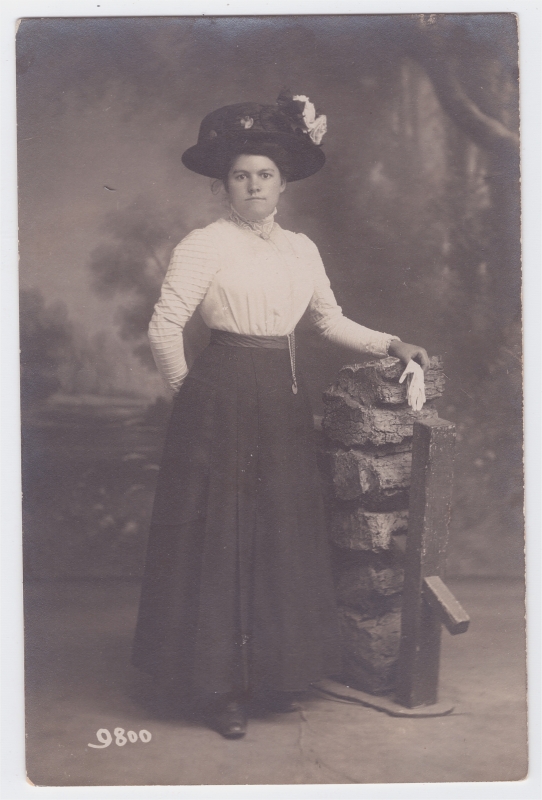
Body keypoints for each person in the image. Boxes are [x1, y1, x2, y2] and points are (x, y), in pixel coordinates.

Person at [132, 92, 429, 739]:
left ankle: (267, 677)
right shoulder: (204, 244)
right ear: (222, 185)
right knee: (222, 540)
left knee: (275, 532)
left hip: (282, 399)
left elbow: (328, 320)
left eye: (264, 174)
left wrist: (391, 342)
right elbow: (163, 329)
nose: (254, 185)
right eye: (241, 175)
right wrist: (192, 399)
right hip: (220, 395)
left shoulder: (301, 249)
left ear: (283, 182)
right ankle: (217, 691)